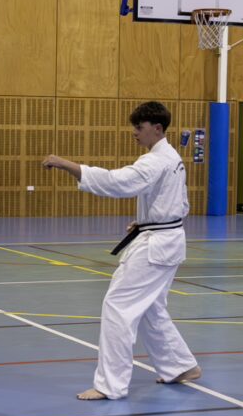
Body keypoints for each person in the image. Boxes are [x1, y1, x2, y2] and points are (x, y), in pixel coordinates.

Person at [42, 101, 201, 400]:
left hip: (157, 245)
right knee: (151, 308)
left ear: (156, 128)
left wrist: (68, 165)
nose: (135, 134)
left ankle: (110, 385)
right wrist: (146, 221)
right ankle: (179, 366)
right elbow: (173, 200)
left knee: (118, 307)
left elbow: (118, 182)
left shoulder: (155, 161)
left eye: (139, 128)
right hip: (165, 237)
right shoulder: (168, 156)